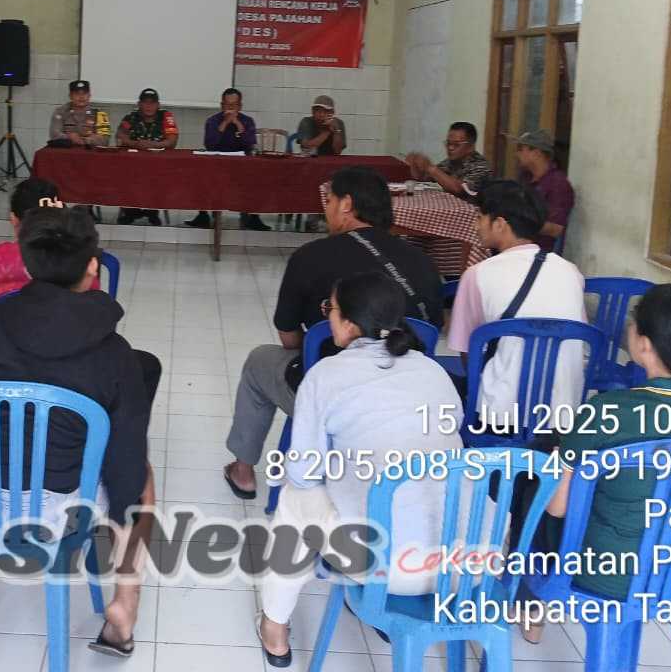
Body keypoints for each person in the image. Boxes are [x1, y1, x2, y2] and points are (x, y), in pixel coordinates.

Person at [0, 207, 160, 657]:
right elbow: (124, 451)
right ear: (92, 267)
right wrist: (123, 508)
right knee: (142, 479)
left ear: (26, 264)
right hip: (65, 510)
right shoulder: (115, 352)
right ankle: (125, 604)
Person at [255, 273, 464, 666]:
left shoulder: (326, 375)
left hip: (388, 566)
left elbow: (303, 470)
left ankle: (274, 626)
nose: (328, 317)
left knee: (295, 496)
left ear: (349, 322)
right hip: (466, 564)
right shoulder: (433, 371)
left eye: (329, 309)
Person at [518, 285, 671, 642]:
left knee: (533, 482)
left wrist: (561, 452)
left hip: (604, 573)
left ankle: (529, 607)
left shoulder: (607, 409)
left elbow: (557, 507)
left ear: (645, 344)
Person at [222, 167, 444, 501]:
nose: (326, 210)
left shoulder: (311, 256)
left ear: (346, 204)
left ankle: (243, 472)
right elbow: (431, 333)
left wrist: (325, 348)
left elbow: (289, 337)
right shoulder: (423, 263)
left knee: (259, 360)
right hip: (407, 399)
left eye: (329, 201)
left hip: (332, 395)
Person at [446, 180, 587, 431]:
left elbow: (467, 352)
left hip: (499, 417)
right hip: (563, 416)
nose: (476, 225)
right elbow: (578, 337)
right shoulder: (571, 272)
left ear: (500, 224)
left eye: (480, 217)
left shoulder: (477, 275)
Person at [0, 178, 99, 319]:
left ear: (14, 219)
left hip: (1, 332)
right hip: (68, 332)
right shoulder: (78, 256)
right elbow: (91, 312)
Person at [186, 87, 269, 231]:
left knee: (258, 176)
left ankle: (252, 217)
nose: (230, 108)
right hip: (217, 166)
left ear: (240, 106)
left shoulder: (247, 121)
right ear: (222, 105)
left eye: (234, 105)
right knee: (199, 173)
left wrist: (238, 125)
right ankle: (203, 215)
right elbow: (210, 144)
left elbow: (250, 144)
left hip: (241, 167)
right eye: (227, 104)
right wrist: (224, 124)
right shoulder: (212, 121)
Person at [116, 87, 178, 225]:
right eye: (145, 102)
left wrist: (153, 144)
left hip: (159, 165)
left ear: (158, 104)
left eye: (152, 102)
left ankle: (152, 211)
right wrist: (136, 143)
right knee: (125, 175)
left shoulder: (166, 117)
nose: (149, 106)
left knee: (158, 178)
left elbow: (172, 141)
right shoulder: (131, 117)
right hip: (133, 166)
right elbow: (119, 138)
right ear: (139, 104)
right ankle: (131, 211)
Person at [512, 130, 574, 252]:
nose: (517, 154)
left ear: (536, 153)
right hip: (516, 244)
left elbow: (556, 229)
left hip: (538, 251)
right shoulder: (525, 177)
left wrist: (517, 223)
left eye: (521, 149)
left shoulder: (558, 183)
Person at [404, 121, 493, 197]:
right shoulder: (451, 162)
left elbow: (458, 190)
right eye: (448, 143)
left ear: (471, 146)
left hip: (472, 210)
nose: (450, 148)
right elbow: (425, 177)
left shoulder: (480, 166)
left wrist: (430, 167)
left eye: (456, 144)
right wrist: (415, 165)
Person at [48, 79, 111, 147]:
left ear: (89, 95)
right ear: (70, 96)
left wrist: (84, 140)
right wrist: (69, 137)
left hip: (90, 153)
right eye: (77, 94)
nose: (81, 97)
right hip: (66, 152)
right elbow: (54, 135)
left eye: (84, 93)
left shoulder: (100, 114)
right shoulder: (61, 112)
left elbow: (105, 140)